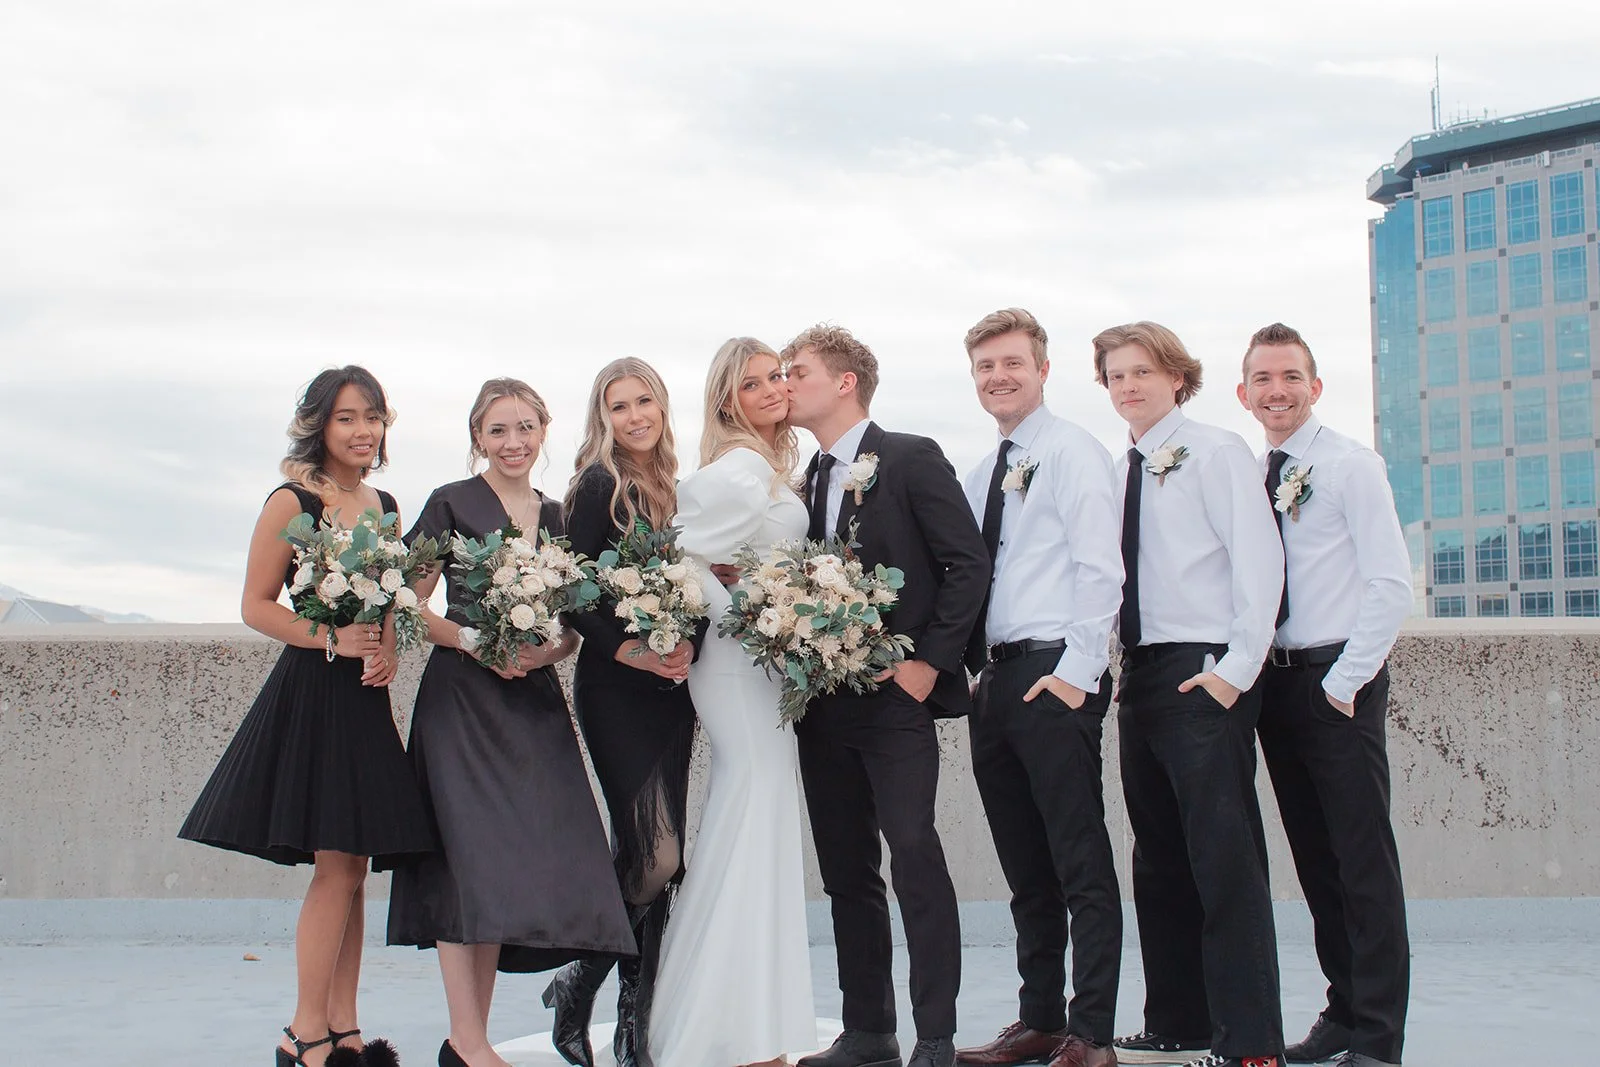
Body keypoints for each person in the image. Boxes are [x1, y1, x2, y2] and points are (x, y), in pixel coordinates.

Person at [179, 366, 434, 1067]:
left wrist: (386, 648)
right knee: (334, 866)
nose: (363, 430)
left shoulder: (384, 504)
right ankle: (303, 1031)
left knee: (356, 865)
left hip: (365, 697)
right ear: (320, 425)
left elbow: (388, 600)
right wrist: (332, 638)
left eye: (373, 417)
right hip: (315, 692)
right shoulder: (291, 501)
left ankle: (344, 1028)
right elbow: (256, 605)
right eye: (347, 417)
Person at [386, 378, 637, 1067]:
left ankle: (469, 1042)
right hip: (460, 705)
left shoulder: (560, 516)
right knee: (462, 860)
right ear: (478, 437)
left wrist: (547, 651)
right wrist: (472, 641)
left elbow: (574, 625)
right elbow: (407, 599)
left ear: (544, 431)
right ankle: (468, 1040)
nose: (513, 441)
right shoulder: (451, 501)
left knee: (499, 867)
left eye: (525, 427)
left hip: (531, 703)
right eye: (497, 429)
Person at [783, 324, 991, 1067]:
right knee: (847, 873)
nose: (784, 384)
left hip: (895, 700)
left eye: (797, 371)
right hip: (821, 704)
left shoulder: (909, 456)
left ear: (845, 382)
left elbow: (967, 563)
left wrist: (928, 664)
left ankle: (936, 1035)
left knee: (914, 855)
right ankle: (869, 1030)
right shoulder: (803, 481)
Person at [1092, 322, 1285, 1067]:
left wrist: (1236, 670)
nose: (1128, 386)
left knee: (1224, 859)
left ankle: (1250, 1045)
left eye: (1142, 371)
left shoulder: (1216, 451)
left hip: (1204, 670)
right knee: (1159, 858)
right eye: (1115, 375)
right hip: (1139, 674)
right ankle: (1179, 1020)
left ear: (1178, 377)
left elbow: (1259, 560)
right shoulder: (1118, 469)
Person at [1236, 324, 1412, 1067]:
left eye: (1290, 377)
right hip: (1274, 683)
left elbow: (1390, 584)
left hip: (1336, 682)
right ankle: (1343, 1011)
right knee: (1315, 860)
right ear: (1243, 393)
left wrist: (1344, 684)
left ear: (1314, 386)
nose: (1277, 391)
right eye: (1263, 379)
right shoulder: (1254, 472)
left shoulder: (1350, 465)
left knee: (1362, 863)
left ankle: (1377, 1038)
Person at [953, 310, 1123, 1067]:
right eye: (986, 366)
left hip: (1055, 672)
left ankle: (1092, 1032)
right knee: (1025, 867)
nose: (999, 376)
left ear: (1043, 369)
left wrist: (1076, 676)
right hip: (994, 681)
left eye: (1013, 362)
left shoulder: (1072, 451)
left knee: (1079, 859)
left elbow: (1101, 567)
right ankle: (1040, 1019)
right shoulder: (980, 472)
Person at [648, 337, 817, 1067]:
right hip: (738, 668)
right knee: (752, 809)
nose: (774, 388)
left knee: (757, 816)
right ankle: (733, 1029)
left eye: (778, 375)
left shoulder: (767, 465)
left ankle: (751, 1018)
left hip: (762, 668)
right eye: (754, 383)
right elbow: (676, 557)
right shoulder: (739, 468)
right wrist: (747, 622)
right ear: (727, 400)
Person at [542, 357, 699, 1067]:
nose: (634, 416)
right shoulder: (596, 486)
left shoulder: (675, 489)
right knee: (654, 854)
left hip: (674, 695)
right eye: (619, 405)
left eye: (644, 401)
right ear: (601, 417)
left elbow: (695, 589)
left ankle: (635, 1021)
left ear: (662, 407)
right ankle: (579, 982)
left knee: (658, 859)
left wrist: (686, 645)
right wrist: (635, 652)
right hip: (616, 692)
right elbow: (573, 591)